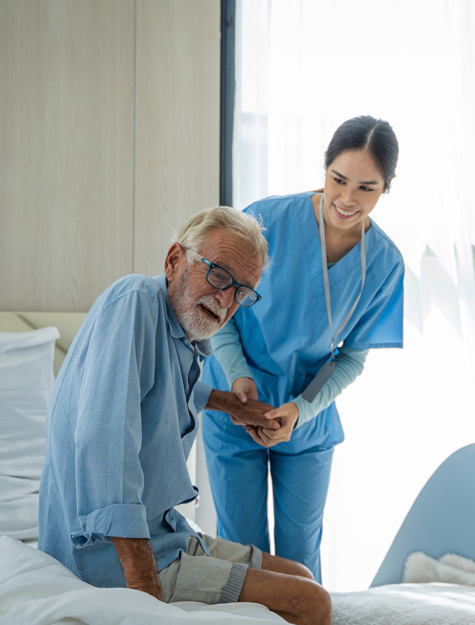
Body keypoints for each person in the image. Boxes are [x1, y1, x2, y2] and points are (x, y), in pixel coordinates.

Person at [38, 206, 332, 625]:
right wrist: (144, 590)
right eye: (218, 274)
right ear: (175, 259)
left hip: (166, 534)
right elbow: (105, 442)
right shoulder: (135, 300)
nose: (227, 300)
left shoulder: (182, 336)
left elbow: (167, 389)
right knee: (312, 604)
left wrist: (233, 405)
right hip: (107, 555)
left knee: (302, 576)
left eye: (242, 292)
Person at [202, 116, 405, 582]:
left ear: (386, 188)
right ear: (325, 168)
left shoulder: (385, 263)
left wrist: (299, 410)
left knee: (299, 563)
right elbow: (218, 314)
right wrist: (237, 377)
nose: (348, 199)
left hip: (306, 414)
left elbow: (350, 357)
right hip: (237, 402)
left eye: (367, 188)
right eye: (338, 180)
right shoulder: (264, 222)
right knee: (242, 555)